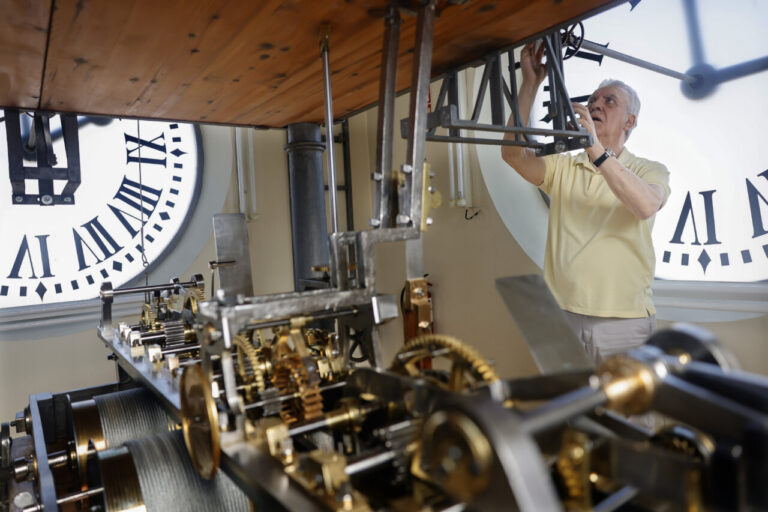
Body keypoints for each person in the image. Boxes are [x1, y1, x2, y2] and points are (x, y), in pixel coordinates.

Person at [501, 42, 670, 363]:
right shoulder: (564, 167)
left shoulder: (649, 170)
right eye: (592, 100)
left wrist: (595, 149)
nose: (596, 105)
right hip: (559, 314)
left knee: (625, 412)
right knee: (567, 411)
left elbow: (645, 206)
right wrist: (530, 84)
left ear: (629, 122)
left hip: (623, 321)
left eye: (610, 101)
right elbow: (512, 154)